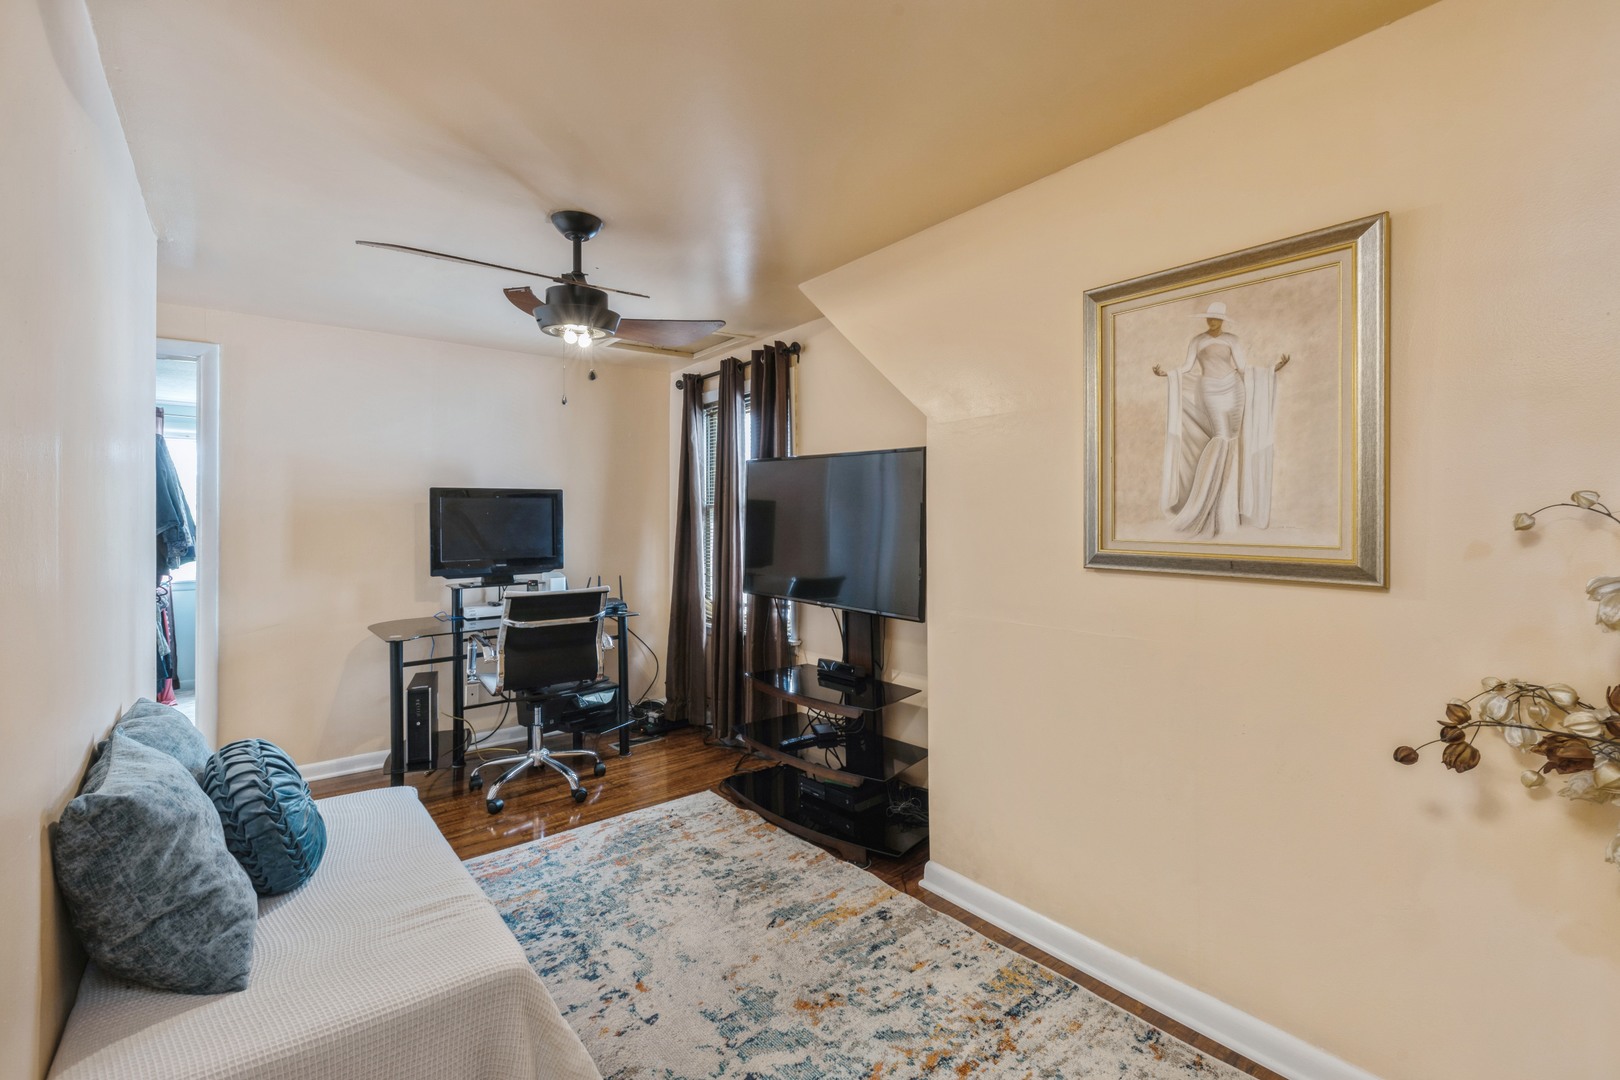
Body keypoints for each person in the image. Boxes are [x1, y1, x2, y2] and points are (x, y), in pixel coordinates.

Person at [1152, 301, 1289, 538]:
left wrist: (1271, 370)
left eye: (1216, 318)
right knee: (1221, 438)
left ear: (1223, 320)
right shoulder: (1197, 340)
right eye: (1209, 318)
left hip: (1234, 389)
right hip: (1210, 390)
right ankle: (1208, 504)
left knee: (1232, 441)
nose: (1211, 321)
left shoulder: (1232, 340)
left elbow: (1244, 367)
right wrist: (1168, 374)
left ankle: (1227, 508)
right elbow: (1186, 366)